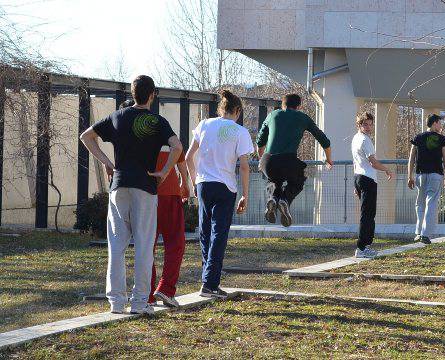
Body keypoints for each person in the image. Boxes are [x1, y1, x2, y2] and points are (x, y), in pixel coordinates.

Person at [80, 75, 183, 315]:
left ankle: (116, 302)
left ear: (132, 93)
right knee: (144, 246)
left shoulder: (117, 116)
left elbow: (86, 136)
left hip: (119, 186)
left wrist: (107, 162)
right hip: (145, 187)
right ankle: (138, 303)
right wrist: (165, 172)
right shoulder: (157, 121)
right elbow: (177, 147)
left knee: (116, 246)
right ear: (152, 95)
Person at [117, 99, 189, 308]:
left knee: (145, 245)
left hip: (143, 195)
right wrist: (185, 183)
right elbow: (180, 157)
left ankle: (146, 293)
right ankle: (166, 289)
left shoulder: (124, 135)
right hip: (168, 193)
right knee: (175, 243)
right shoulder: (158, 125)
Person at [185, 90, 253, 299]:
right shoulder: (240, 131)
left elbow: (188, 157)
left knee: (205, 232)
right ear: (238, 110)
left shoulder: (204, 124)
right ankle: (210, 284)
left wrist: (194, 181)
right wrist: (245, 194)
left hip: (204, 183)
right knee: (218, 234)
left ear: (220, 109)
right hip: (225, 186)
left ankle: (208, 281)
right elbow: (243, 166)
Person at [256, 94, 333, 227]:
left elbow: (259, 143)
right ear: (298, 106)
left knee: (273, 180)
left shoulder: (272, 115)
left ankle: (273, 198)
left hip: (268, 161)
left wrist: (261, 161)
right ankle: (285, 200)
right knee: (298, 182)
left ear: (282, 105)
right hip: (289, 161)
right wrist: (328, 159)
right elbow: (324, 141)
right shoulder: (303, 117)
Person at [352, 112, 393, 258]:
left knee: (367, 214)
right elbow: (373, 162)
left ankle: (364, 246)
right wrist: (387, 169)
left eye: (370, 124)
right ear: (359, 125)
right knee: (368, 215)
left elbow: (355, 162)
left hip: (358, 177)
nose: (368, 127)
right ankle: (362, 248)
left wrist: (355, 184)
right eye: (365, 124)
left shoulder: (355, 139)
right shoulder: (365, 140)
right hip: (368, 179)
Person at [408, 113, 445, 244]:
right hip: (435, 175)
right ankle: (425, 234)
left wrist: (409, 176)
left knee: (420, 203)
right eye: (439, 122)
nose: (440, 125)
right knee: (431, 204)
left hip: (420, 175)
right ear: (434, 123)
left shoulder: (418, 138)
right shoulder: (441, 139)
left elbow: (411, 158)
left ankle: (418, 232)